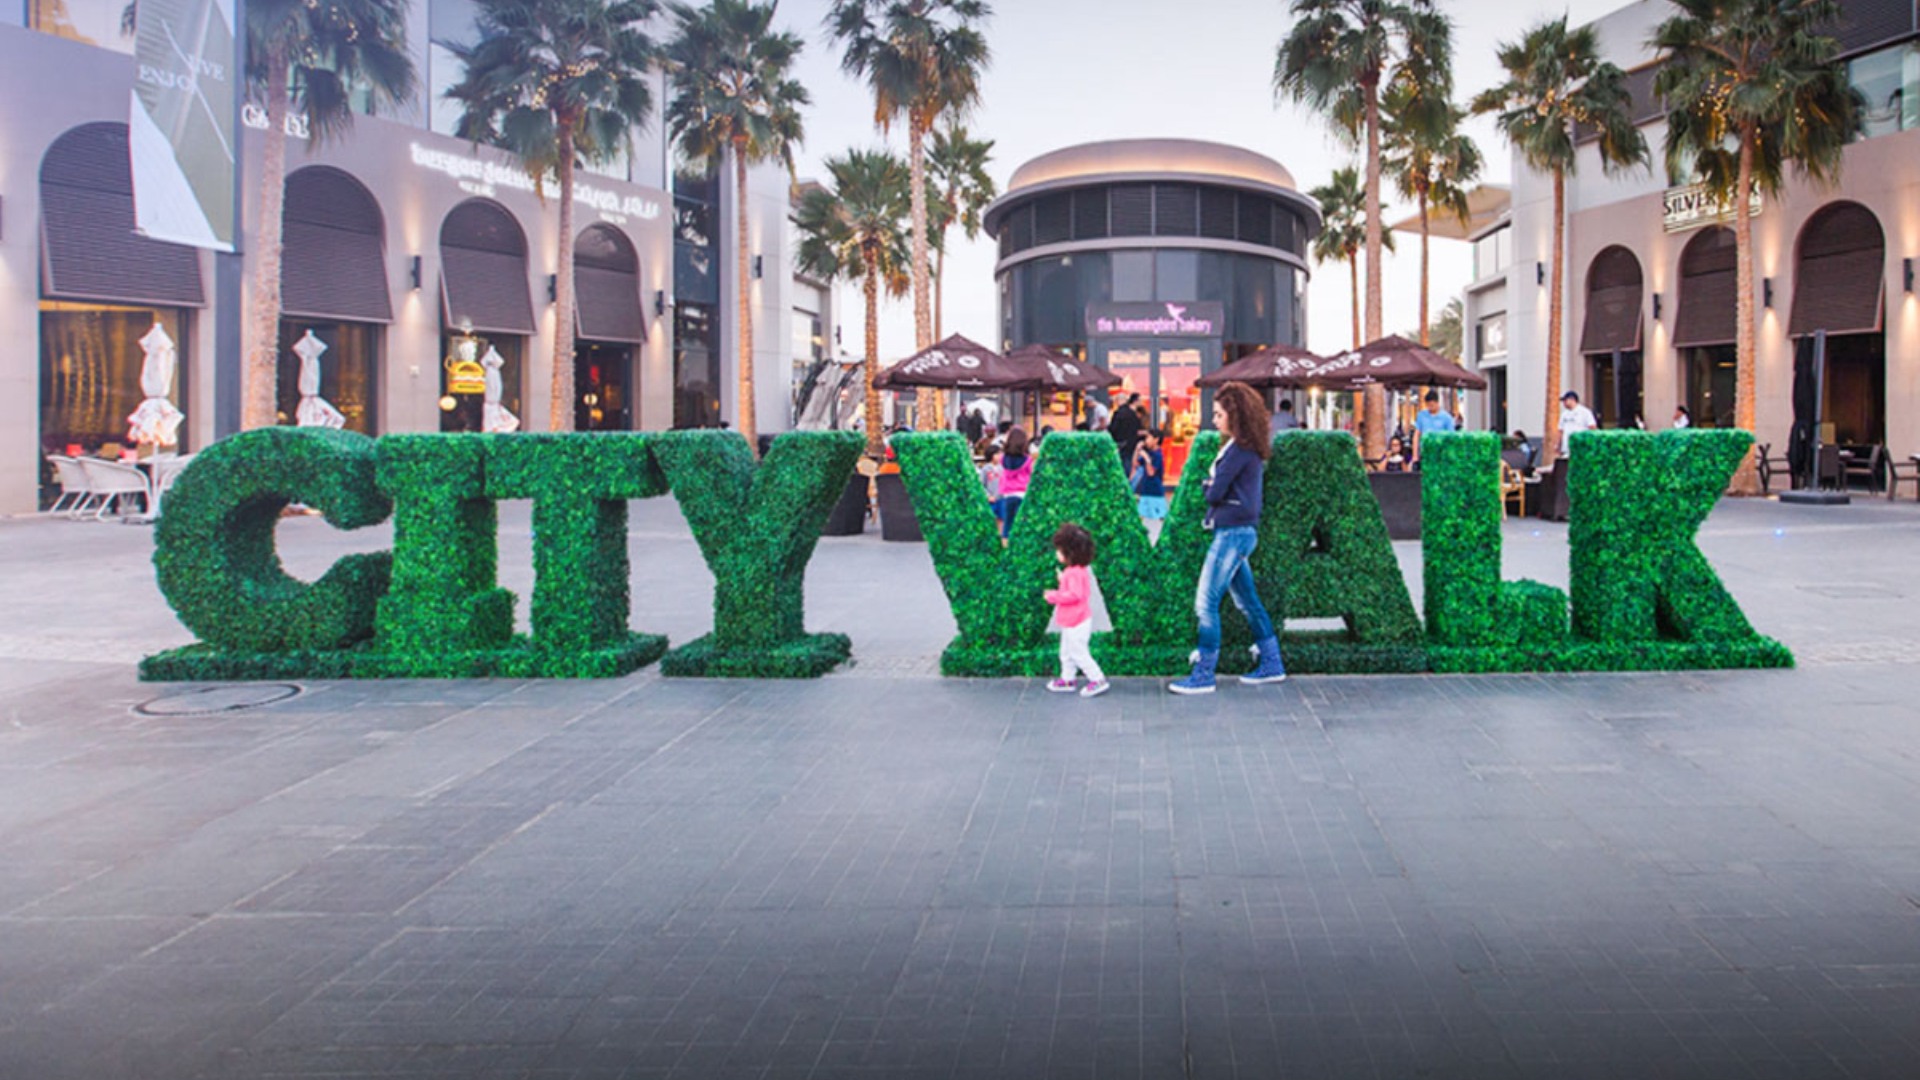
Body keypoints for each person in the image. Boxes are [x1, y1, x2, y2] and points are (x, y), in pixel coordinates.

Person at [1170, 382, 1286, 694]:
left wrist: (1209, 486)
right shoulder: (1244, 449)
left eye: (1219, 414)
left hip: (1232, 533)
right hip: (1239, 532)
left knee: (1206, 603)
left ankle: (1204, 674)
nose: (1214, 419)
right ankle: (1272, 663)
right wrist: (1213, 486)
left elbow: (1215, 492)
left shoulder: (1239, 451)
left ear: (1235, 416)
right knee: (1247, 601)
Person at [1044, 523, 1111, 698]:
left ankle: (1097, 679)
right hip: (1072, 620)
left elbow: (1074, 595)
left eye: (1059, 550)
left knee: (1078, 652)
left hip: (1076, 620)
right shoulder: (1075, 571)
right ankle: (1067, 679)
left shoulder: (1074, 573)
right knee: (1066, 651)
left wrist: (1053, 596)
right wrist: (1063, 580)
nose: (1056, 553)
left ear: (1069, 553)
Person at [998, 427, 1033, 538]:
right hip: (1022, 494)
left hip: (1008, 494)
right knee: (1022, 525)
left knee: (1007, 524)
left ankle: (1006, 548)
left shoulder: (1003, 459)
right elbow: (1031, 475)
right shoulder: (1027, 460)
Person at [1133, 428, 1168, 529]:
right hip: (1145, 491)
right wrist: (1137, 450)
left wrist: (1147, 459)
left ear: (1156, 440)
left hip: (1156, 492)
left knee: (1162, 518)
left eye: (1148, 437)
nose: (1146, 440)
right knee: (1140, 517)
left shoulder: (1158, 455)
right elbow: (1135, 464)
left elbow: (1151, 472)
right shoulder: (1148, 453)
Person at [1412, 390, 1455, 462]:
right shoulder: (1421, 415)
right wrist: (1415, 455)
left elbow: (1451, 438)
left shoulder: (1447, 418)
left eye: (1431, 405)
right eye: (1427, 405)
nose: (1429, 407)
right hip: (1425, 453)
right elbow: (1416, 435)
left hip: (1441, 454)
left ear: (1437, 403)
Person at [1107, 392, 1143, 464]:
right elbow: (1137, 428)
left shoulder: (1118, 413)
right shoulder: (1133, 414)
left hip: (1121, 443)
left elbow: (1114, 428)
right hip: (1131, 443)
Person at [1558, 390, 1598, 456]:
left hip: (1581, 447)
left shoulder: (1585, 412)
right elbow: (1561, 430)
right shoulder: (1564, 414)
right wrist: (1558, 445)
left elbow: (1592, 427)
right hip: (1566, 448)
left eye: (1565, 400)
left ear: (1572, 400)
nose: (1564, 403)